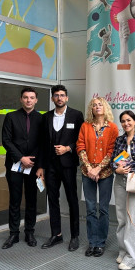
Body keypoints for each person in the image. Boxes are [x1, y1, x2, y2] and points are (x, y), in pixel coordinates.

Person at [37, 85, 84, 251]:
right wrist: (40, 166)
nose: (59, 98)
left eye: (62, 95)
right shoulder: (46, 117)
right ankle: (56, 235)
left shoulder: (76, 115)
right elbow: (42, 144)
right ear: (52, 99)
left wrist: (68, 148)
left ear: (67, 98)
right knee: (52, 200)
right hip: (50, 166)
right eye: (56, 95)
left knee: (72, 200)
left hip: (68, 165)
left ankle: (75, 236)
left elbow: (81, 139)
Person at [76, 97, 118, 257]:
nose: (97, 107)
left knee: (104, 209)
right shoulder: (85, 126)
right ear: (91, 109)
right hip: (87, 173)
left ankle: (100, 243)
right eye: (94, 105)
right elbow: (80, 146)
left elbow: (112, 151)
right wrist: (89, 168)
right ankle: (92, 242)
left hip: (105, 173)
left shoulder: (113, 127)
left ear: (105, 107)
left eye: (100, 104)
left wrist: (98, 168)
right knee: (91, 208)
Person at [1, 87, 43, 249]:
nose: (28, 100)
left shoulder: (41, 118)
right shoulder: (11, 117)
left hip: (33, 166)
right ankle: (13, 234)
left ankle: (29, 232)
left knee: (32, 200)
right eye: (25, 97)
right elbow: (6, 140)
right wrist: (21, 158)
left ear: (36, 100)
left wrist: (37, 164)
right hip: (15, 164)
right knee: (15, 199)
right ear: (21, 99)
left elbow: (43, 143)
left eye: (31, 97)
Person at [111, 110, 135, 270]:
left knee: (133, 219)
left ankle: (132, 257)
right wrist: (116, 169)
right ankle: (123, 251)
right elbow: (113, 160)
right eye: (123, 121)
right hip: (120, 180)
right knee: (121, 219)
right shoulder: (119, 140)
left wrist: (124, 167)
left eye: (129, 120)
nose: (126, 123)